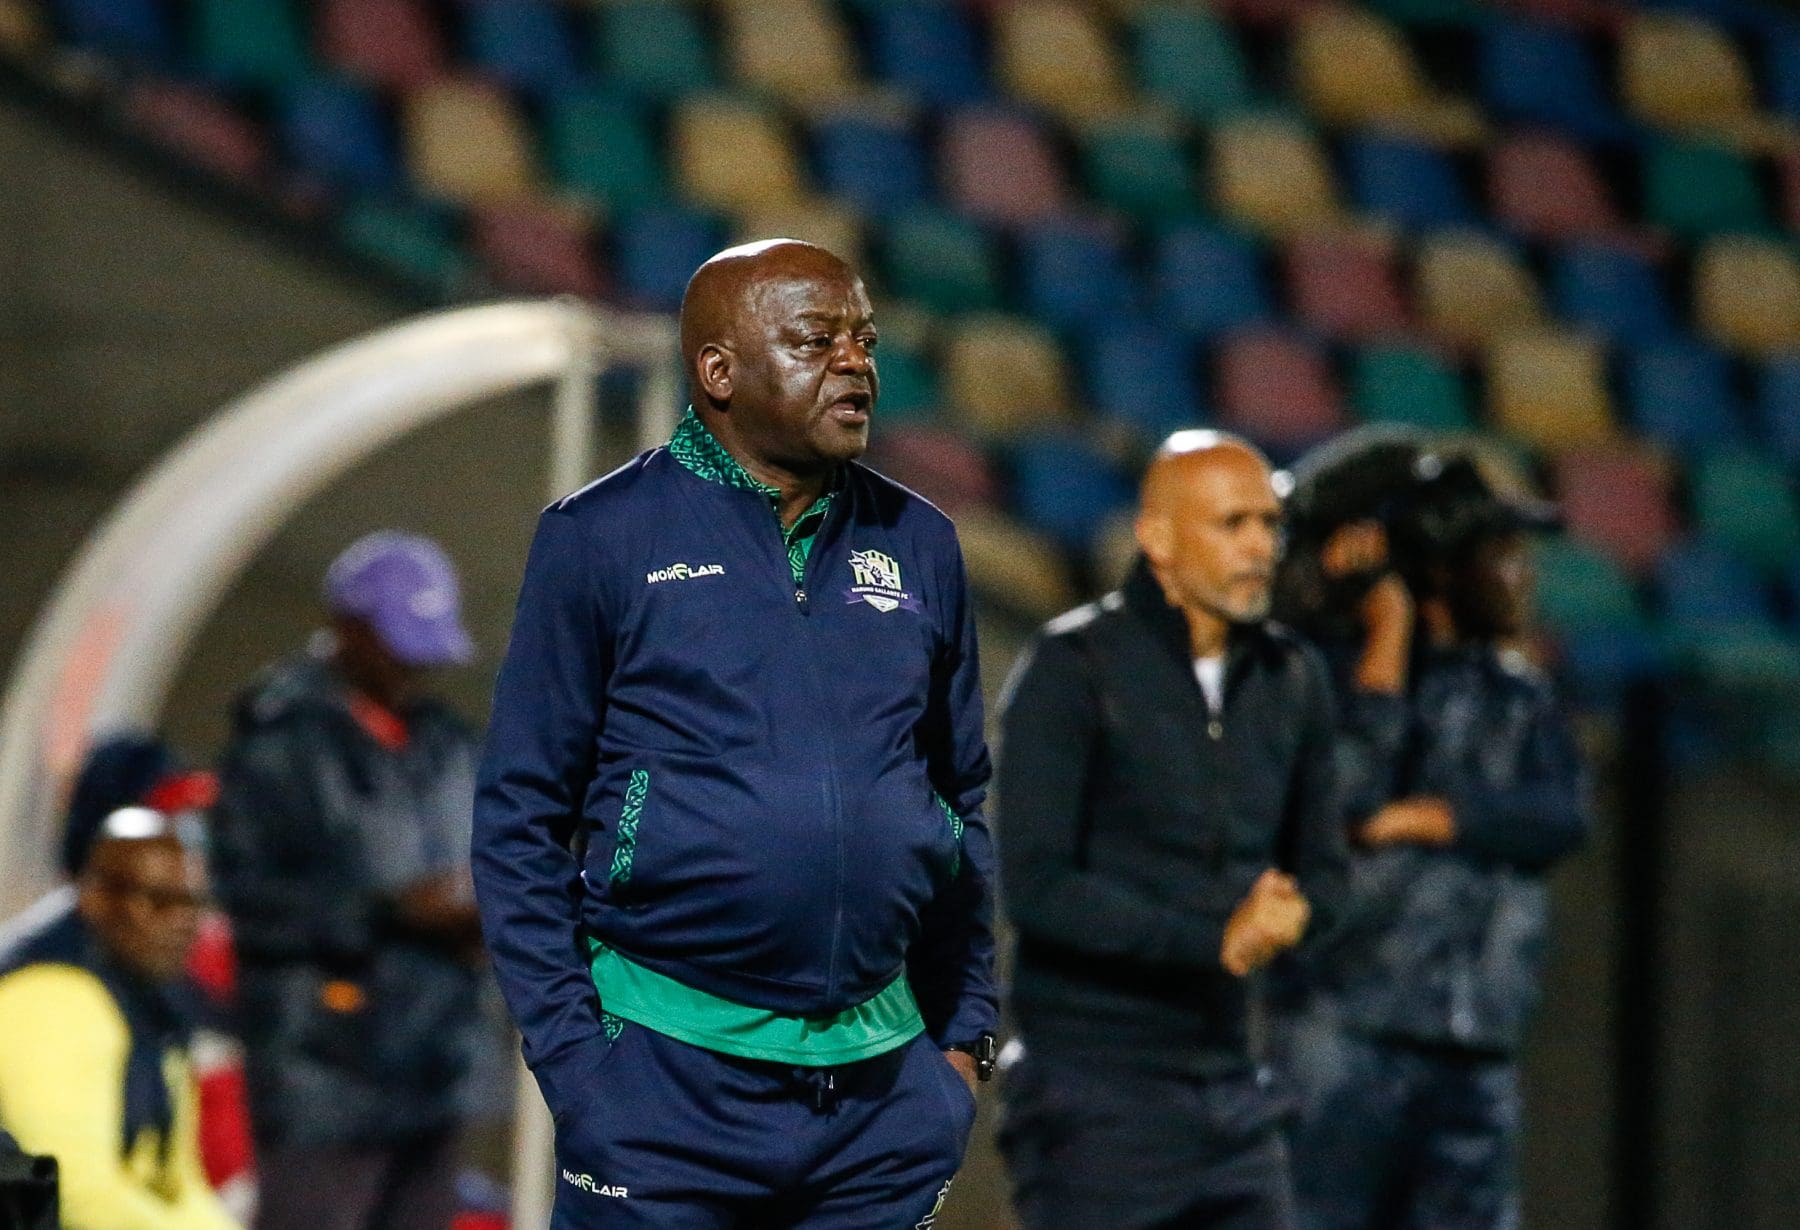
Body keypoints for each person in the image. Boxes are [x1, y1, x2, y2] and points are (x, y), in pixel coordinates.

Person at [474, 238, 995, 1228]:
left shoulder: (920, 543)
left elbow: (959, 804)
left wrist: (960, 1049)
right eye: (816, 339)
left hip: (882, 1103)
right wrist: (583, 1072)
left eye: (864, 339)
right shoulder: (601, 538)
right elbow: (518, 819)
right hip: (665, 1088)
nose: (856, 363)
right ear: (717, 371)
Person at [994, 430, 1348, 1230]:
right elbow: (1039, 887)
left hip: (1231, 1086)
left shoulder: (1293, 679)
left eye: (1269, 524)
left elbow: (1325, 875)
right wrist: (1214, 935)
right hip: (1094, 1090)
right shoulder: (1072, 668)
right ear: (1157, 537)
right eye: (1233, 525)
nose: (1261, 546)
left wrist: (1300, 915)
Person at [1270, 446, 1591, 1230]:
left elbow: (1561, 817)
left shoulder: (1519, 695)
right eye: (1499, 553)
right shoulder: (1327, 674)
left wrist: (1439, 818)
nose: (1520, 574)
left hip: (1476, 1034)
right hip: (1343, 1030)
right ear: (1441, 565)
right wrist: (1385, 631)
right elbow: (1343, 800)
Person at [211, 531, 485, 1230]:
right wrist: (385, 911)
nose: (413, 669)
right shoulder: (281, 744)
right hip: (323, 1074)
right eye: (398, 644)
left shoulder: (443, 742)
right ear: (348, 628)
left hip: (434, 1063)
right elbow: (242, 902)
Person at [0, 805, 240, 1230]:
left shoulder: (153, 998)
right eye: (160, 900)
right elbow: (74, 1192)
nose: (184, 921)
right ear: (95, 897)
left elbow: (173, 1179)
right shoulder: (51, 998)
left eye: (194, 903)